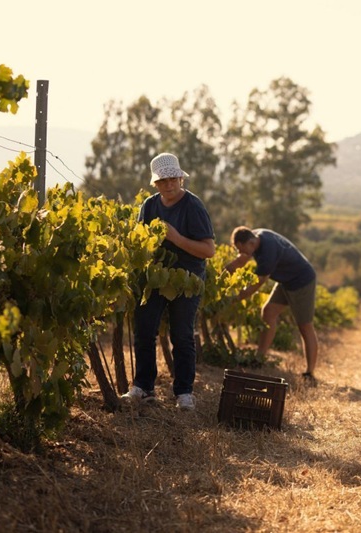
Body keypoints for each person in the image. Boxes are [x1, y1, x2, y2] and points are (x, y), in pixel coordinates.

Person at [122, 153, 216, 411]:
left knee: (182, 335)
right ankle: (143, 387)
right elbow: (141, 243)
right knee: (144, 330)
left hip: (187, 279)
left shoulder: (193, 207)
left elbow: (209, 250)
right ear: (156, 184)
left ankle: (184, 393)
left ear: (180, 179)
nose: (169, 185)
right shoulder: (149, 206)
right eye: (163, 181)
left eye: (173, 179)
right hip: (155, 277)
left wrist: (175, 238)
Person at [225, 226, 319, 384]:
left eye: (243, 250)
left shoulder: (268, 252)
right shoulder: (256, 237)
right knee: (268, 312)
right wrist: (225, 271)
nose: (243, 253)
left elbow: (256, 284)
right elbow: (241, 260)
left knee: (305, 325)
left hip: (302, 280)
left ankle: (310, 373)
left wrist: (234, 299)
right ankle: (259, 358)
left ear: (250, 243)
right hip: (286, 280)